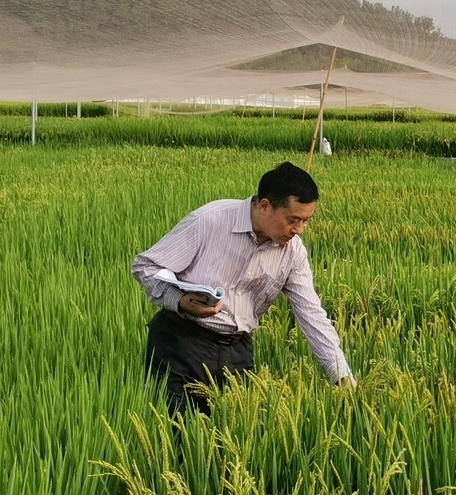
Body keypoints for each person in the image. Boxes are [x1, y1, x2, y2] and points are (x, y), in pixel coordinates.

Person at [132, 161, 356, 416]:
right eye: (293, 220)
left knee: (233, 440)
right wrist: (179, 300)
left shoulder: (292, 252)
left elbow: (312, 314)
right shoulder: (209, 221)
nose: (299, 230)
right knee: (179, 440)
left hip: (237, 353)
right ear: (264, 206)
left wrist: (341, 374)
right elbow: (145, 265)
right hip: (182, 346)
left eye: (306, 221)